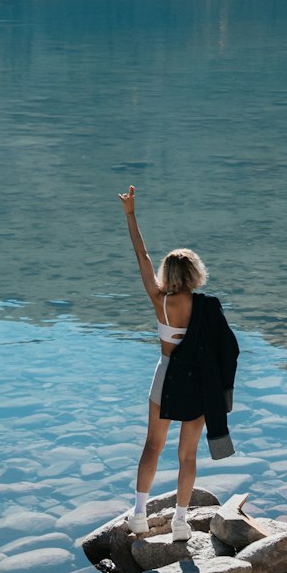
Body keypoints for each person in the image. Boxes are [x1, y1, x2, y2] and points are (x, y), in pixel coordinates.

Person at [118, 185, 239, 542]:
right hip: (199, 383)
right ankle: (180, 522)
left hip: (166, 377)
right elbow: (228, 348)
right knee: (187, 454)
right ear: (195, 273)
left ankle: (139, 515)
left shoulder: (161, 301)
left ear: (168, 274)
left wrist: (130, 214)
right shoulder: (208, 306)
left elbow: (141, 254)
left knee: (152, 446)